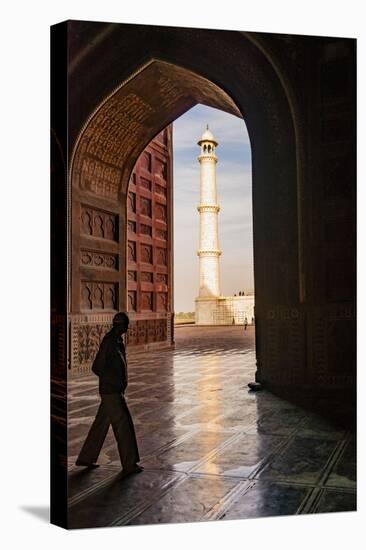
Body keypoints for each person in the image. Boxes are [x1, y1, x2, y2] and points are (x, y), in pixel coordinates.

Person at [75, 312, 143, 478]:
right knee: (123, 426)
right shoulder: (109, 342)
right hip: (111, 392)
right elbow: (97, 367)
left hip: (113, 390)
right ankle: (129, 464)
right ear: (120, 325)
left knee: (100, 425)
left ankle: (86, 458)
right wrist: (111, 382)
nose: (127, 329)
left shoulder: (117, 341)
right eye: (125, 325)